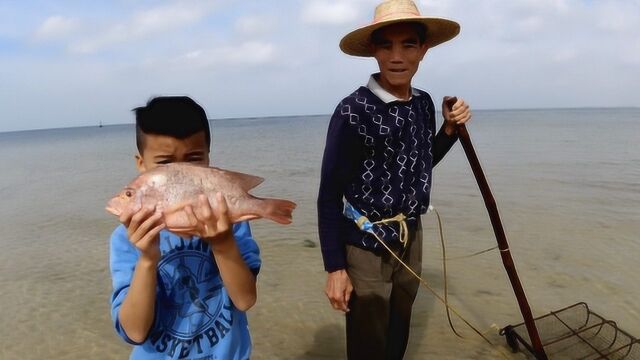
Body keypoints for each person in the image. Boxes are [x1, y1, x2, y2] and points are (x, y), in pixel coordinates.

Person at [317, 1, 472, 359]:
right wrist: (335, 268)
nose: (397, 56)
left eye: (408, 44)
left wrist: (448, 129)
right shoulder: (353, 111)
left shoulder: (422, 103)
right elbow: (328, 196)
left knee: (399, 327)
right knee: (368, 339)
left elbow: (421, 163)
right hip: (365, 242)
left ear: (424, 50)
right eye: (386, 45)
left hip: (410, 237)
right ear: (373, 50)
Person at [109, 96, 261, 359]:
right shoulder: (125, 240)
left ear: (209, 162)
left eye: (193, 159)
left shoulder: (229, 222)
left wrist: (223, 243)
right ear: (141, 165)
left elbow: (245, 300)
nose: (178, 173)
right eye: (165, 164)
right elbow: (135, 332)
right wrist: (147, 259)